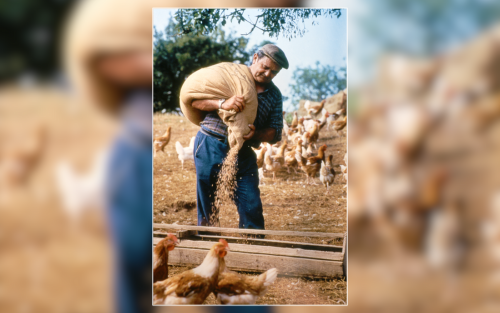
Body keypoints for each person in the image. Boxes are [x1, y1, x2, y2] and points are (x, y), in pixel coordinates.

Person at [191, 44, 289, 232]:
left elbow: (276, 132)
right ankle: (206, 246)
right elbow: (195, 101)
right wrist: (222, 102)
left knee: (251, 204)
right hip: (210, 142)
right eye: (265, 67)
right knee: (208, 204)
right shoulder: (229, 77)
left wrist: (257, 134)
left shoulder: (274, 95)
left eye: (274, 72)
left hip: (243, 151)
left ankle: (253, 251)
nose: (268, 74)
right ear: (255, 58)